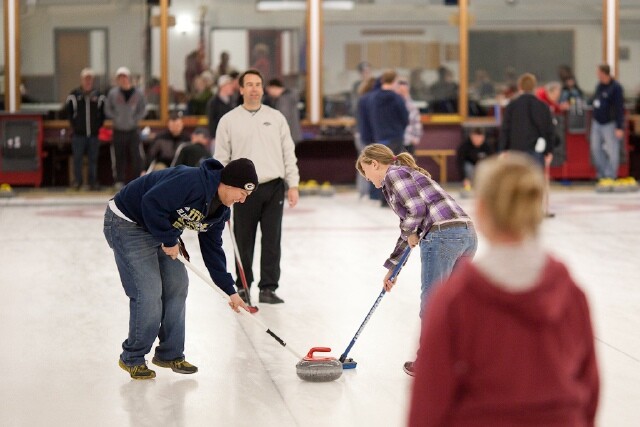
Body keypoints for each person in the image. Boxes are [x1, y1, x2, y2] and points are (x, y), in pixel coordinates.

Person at [408, 153, 599, 426]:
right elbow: (589, 386)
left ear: (482, 212)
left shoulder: (455, 299)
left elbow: (430, 399)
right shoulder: (570, 293)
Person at [104, 157, 257, 379]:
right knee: (148, 292)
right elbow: (151, 203)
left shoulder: (221, 210)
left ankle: (169, 353)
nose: (242, 200)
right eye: (242, 194)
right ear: (229, 184)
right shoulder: (191, 181)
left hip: (159, 226)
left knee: (177, 284)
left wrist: (230, 291)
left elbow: (213, 250)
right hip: (128, 222)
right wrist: (168, 239)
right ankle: (133, 357)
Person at [356, 144, 477, 376]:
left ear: (375, 164)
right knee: (454, 302)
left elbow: (416, 209)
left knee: (432, 303)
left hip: (442, 236)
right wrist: (393, 268)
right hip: (467, 234)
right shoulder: (408, 173)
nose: (367, 179)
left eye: (366, 172)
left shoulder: (393, 174)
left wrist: (411, 233)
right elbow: (412, 223)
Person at [214, 69, 300, 305]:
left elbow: (288, 153)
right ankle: (242, 286)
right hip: (242, 191)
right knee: (243, 239)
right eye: (249, 84)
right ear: (240, 89)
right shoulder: (229, 120)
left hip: (273, 186)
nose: (254, 88)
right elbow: (221, 157)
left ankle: (268, 288)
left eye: (258, 84)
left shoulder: (276, 118)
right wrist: (220, 188)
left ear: (263, 89)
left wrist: (293, 184)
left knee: (272, 239)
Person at [498, 73, 555, 167]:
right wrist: (549, 151)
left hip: (515, 151)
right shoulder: (543, 106)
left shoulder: (512, 106)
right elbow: (549, 130)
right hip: (536, 151)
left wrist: (503, 149)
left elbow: (505, 129)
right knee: (534, 180)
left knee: (517, 180)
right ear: (534, 87)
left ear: (519, 87)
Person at [105, 66, 147, 188]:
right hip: (118, 130)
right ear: (118, 80)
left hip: (133, 130)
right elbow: (107, 109)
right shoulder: (113, 93)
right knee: (119, 156)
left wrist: (136, 119)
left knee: (136, 156)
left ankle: (137, 180)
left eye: (125, 77)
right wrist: (116, 118)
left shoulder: (138, 93)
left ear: (129, 78)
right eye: (120, 77)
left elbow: (143, 109)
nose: (123, 80)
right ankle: (119, 180)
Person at [65, 67, 105, 191]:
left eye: (90, 79)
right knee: (78, 159)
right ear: (81, 80)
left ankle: (92, 182)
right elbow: (69, 113)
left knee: (93, 159)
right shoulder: (73, 95)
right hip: (78, 134)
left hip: (93, 134)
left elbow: (102, 114)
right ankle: (78, 181)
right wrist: (75, 126)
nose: (87, 82)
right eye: (85, 79)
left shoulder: (98, 96)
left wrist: (97, 127)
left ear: (92, 81)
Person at [590, 63, 625, 189]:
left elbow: (620, 107)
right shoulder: (599, 86)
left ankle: (611, 175)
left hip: (610, 123)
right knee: (595, 148)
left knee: (612, 150)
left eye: (598, 72)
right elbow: (595, 99)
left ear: (604, 73)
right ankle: (602, 174)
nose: (597, 75)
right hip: (597, 122)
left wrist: (619, 126)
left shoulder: (616, 88)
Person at [370, 70, 409, 155]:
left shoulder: (374, 98)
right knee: (394, 166)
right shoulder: (397, 98)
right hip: (395, 137)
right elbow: (405, 118)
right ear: (394, 81)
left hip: (379, 137)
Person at [265, 78, 303, 144]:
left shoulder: (284, 100)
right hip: (292, 136)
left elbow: (282, 119)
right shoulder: (289, 97)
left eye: (269, 90)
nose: (269, 93)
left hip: (287, 138)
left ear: (274, 88)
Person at [395, 77, 422, 155]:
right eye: (400, 91)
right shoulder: (392, 105)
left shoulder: (412, 106)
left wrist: (415, 138)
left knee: (408, 165)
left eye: (404, 91)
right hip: (394, 142)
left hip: (408, 142)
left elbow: (416, 122)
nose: (402, 94)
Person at [206, 75, 236, 141]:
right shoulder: (213, 102)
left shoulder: (233, 101)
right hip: (219, 138)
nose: (232, 87)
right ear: (223, 86)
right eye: (229, 84)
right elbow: (211, 122)